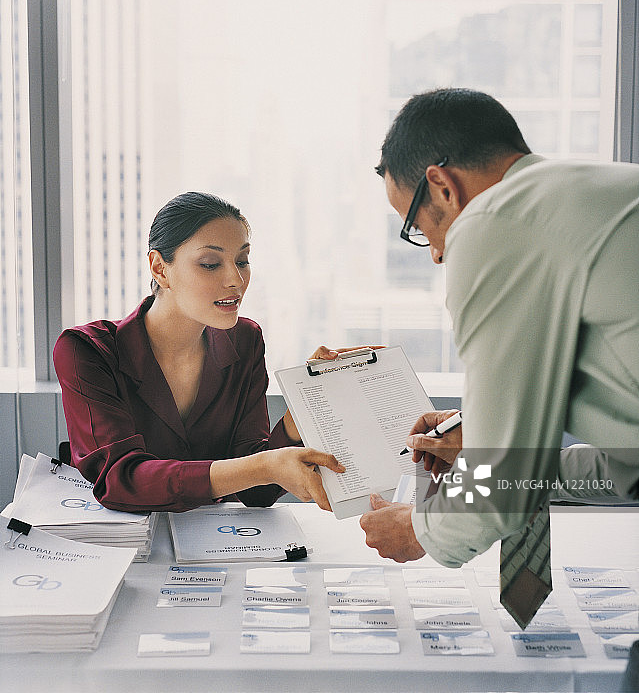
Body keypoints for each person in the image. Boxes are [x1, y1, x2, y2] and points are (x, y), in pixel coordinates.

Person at [359, 87, 639, 567]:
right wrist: (487, 444)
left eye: (419, 227)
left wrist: (420, 529)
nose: (436, 253)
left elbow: (501, 484)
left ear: (444, 187)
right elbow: (626, 470)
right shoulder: (599, 194)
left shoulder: (493, 223)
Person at [53, 191, 344, 513]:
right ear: (160, 268)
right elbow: (120, 480)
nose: (236, 279)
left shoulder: (245, 339)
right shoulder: (87, 350)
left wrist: (308, 405)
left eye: (242, 261)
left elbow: (256, 492)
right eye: (210, 264)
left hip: (217, 547)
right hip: (118, 549)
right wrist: (262, 467)